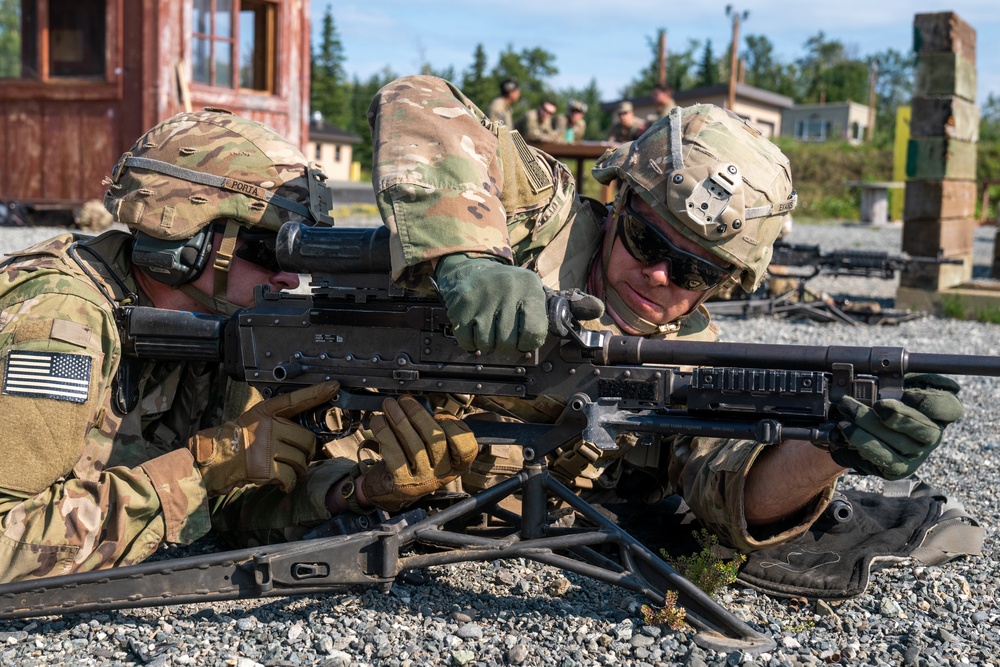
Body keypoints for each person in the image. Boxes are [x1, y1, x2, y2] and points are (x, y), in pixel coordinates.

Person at [358, 75, 964, 554]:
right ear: (620, 201)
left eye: (695, 272)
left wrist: (834, 448)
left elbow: (729, 494)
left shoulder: (689, 361)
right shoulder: (543, 216)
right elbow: (417, 99)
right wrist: (469, 256)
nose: (659, 277)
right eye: (648, 243)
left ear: (725, 284)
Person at [0, 109, 474, 583]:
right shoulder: (59, 321)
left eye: (303, 250)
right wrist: (203, 467)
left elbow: (222, 511)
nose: (291, 275)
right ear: (191, 239)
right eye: (271, 251)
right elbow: (7, 544)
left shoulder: (221, 320)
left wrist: (359, 492)